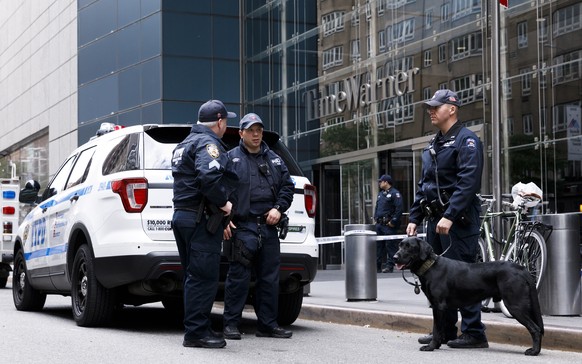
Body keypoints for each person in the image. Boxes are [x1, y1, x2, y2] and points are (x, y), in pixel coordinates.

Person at [405, 89, 488, 349]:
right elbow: (424, 184)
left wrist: (450, 215)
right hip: (435, 219)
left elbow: (468, 183)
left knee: (464, 276)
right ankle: (444, 332)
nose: (431, 111)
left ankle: (474, 332)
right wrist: (415, 217)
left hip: (458, 219)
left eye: (436, 107)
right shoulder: (434, 144)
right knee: (438, 278)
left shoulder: (467, 141)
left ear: (452, 109)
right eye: (430, 107)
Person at [171, 99, 238, 349]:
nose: (226, 125)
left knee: (193, 276)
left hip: (183, 216)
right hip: (199, 219)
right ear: (219, 121)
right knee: (203, 277)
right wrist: (224, 204)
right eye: (226, 121)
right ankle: (196, 333)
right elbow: (209, 176)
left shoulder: (184, 143)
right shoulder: (207, 143)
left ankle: (197, 327)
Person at [222, 113, 295, 340]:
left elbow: (287, 187)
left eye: (259, 130)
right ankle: (231, 324)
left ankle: (267, 325)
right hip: (242, 227)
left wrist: (279, 208)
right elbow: (219, 190)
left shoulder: (274, 159)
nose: (256, 134)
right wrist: (224, 218)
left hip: (268, 227)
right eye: (251, 130)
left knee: (269, 278)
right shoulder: (230, 158)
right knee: (238, 278)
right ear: (241, 133)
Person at [374, 174, 403, 273]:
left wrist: (393, 221)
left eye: (380, 181)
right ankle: (376, 266)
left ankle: (389, 266)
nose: (379, 183)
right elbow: (377, 207)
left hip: (388, 224)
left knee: (390, 245)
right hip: (379, 224)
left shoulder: (395, 194)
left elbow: (399, 209)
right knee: (378, 246)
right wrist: (375, 218)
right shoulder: (380, 194)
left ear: (386, 182)